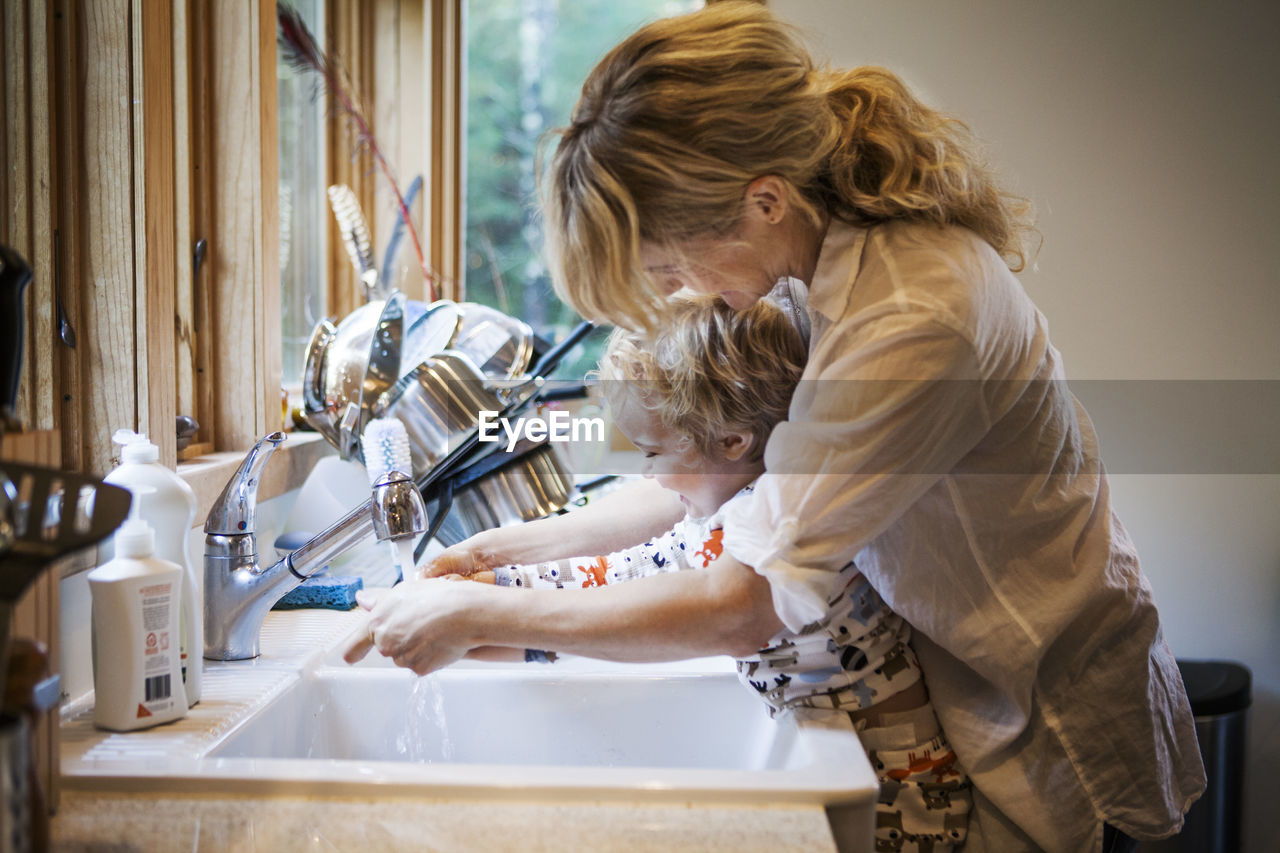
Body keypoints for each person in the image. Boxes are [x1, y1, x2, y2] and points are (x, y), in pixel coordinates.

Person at [344, 3, 1205, 851]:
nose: (685, 288)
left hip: (1044, 706)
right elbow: (713, 490)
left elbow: (745, 600)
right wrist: (499, 557)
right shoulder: (803, 268)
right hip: (965, 682)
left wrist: (471, 615)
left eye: (674, 261)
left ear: (763, 199)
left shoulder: (912, 317)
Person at [461, 294, 972, 850]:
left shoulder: (757, 525)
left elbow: (625, 584)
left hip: (898, 808)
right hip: (885, 780)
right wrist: (487, 599)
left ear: (731, 442)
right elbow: (623, 576)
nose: (650, 477)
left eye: (653, 454)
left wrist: (483, 606)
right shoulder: (756, 501)